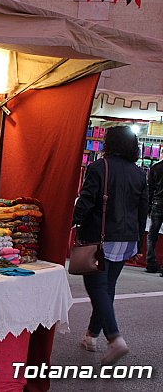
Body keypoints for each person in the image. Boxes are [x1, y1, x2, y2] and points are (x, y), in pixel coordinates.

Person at [72, 126, 147, 365]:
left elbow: (86, 202)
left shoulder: (98, 167)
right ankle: (91, 336)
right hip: (127, 238)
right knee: (108, 286)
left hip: (101, 238)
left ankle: (114, 338)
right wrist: (140, 240)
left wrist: (71, 220)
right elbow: (142, 209)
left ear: (109, 143)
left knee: (96, 287)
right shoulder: (139, 173)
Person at [146, 159, 163, 273]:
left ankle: (150, 262)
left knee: (152, 234)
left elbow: (150, 188)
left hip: (157, 202)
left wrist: (148, 205)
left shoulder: (156, 167)